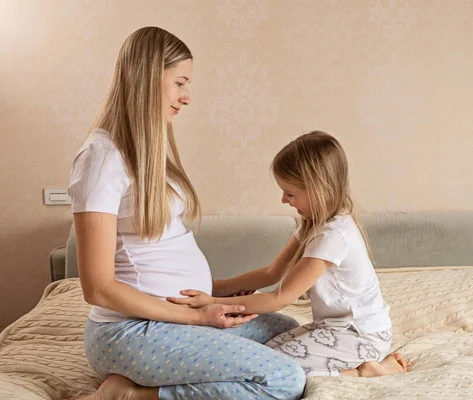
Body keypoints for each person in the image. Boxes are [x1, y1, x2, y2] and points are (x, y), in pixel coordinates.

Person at [68, 26, 306, 400]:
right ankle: (127, 395)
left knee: (288, 333)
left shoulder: (145, 152)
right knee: (284, 379)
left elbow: (158, 252)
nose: (187, 97)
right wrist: (197, 316)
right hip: (132, 331)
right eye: (180, 83)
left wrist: (216, 295)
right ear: (148, 78)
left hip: (178, 321)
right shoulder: (101, 158)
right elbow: (98, 288)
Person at [168, 131, 408, 378]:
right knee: (267, 352)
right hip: (334, 328)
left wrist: (213, 303)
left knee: (273, 370)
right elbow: (271, 273)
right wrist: (214, 288)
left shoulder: (333, 236)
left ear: (318, 189)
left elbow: (280, 298)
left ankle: (368, 371)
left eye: (290, 193)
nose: (283, 199)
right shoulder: (312, 223)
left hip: (360, 335)